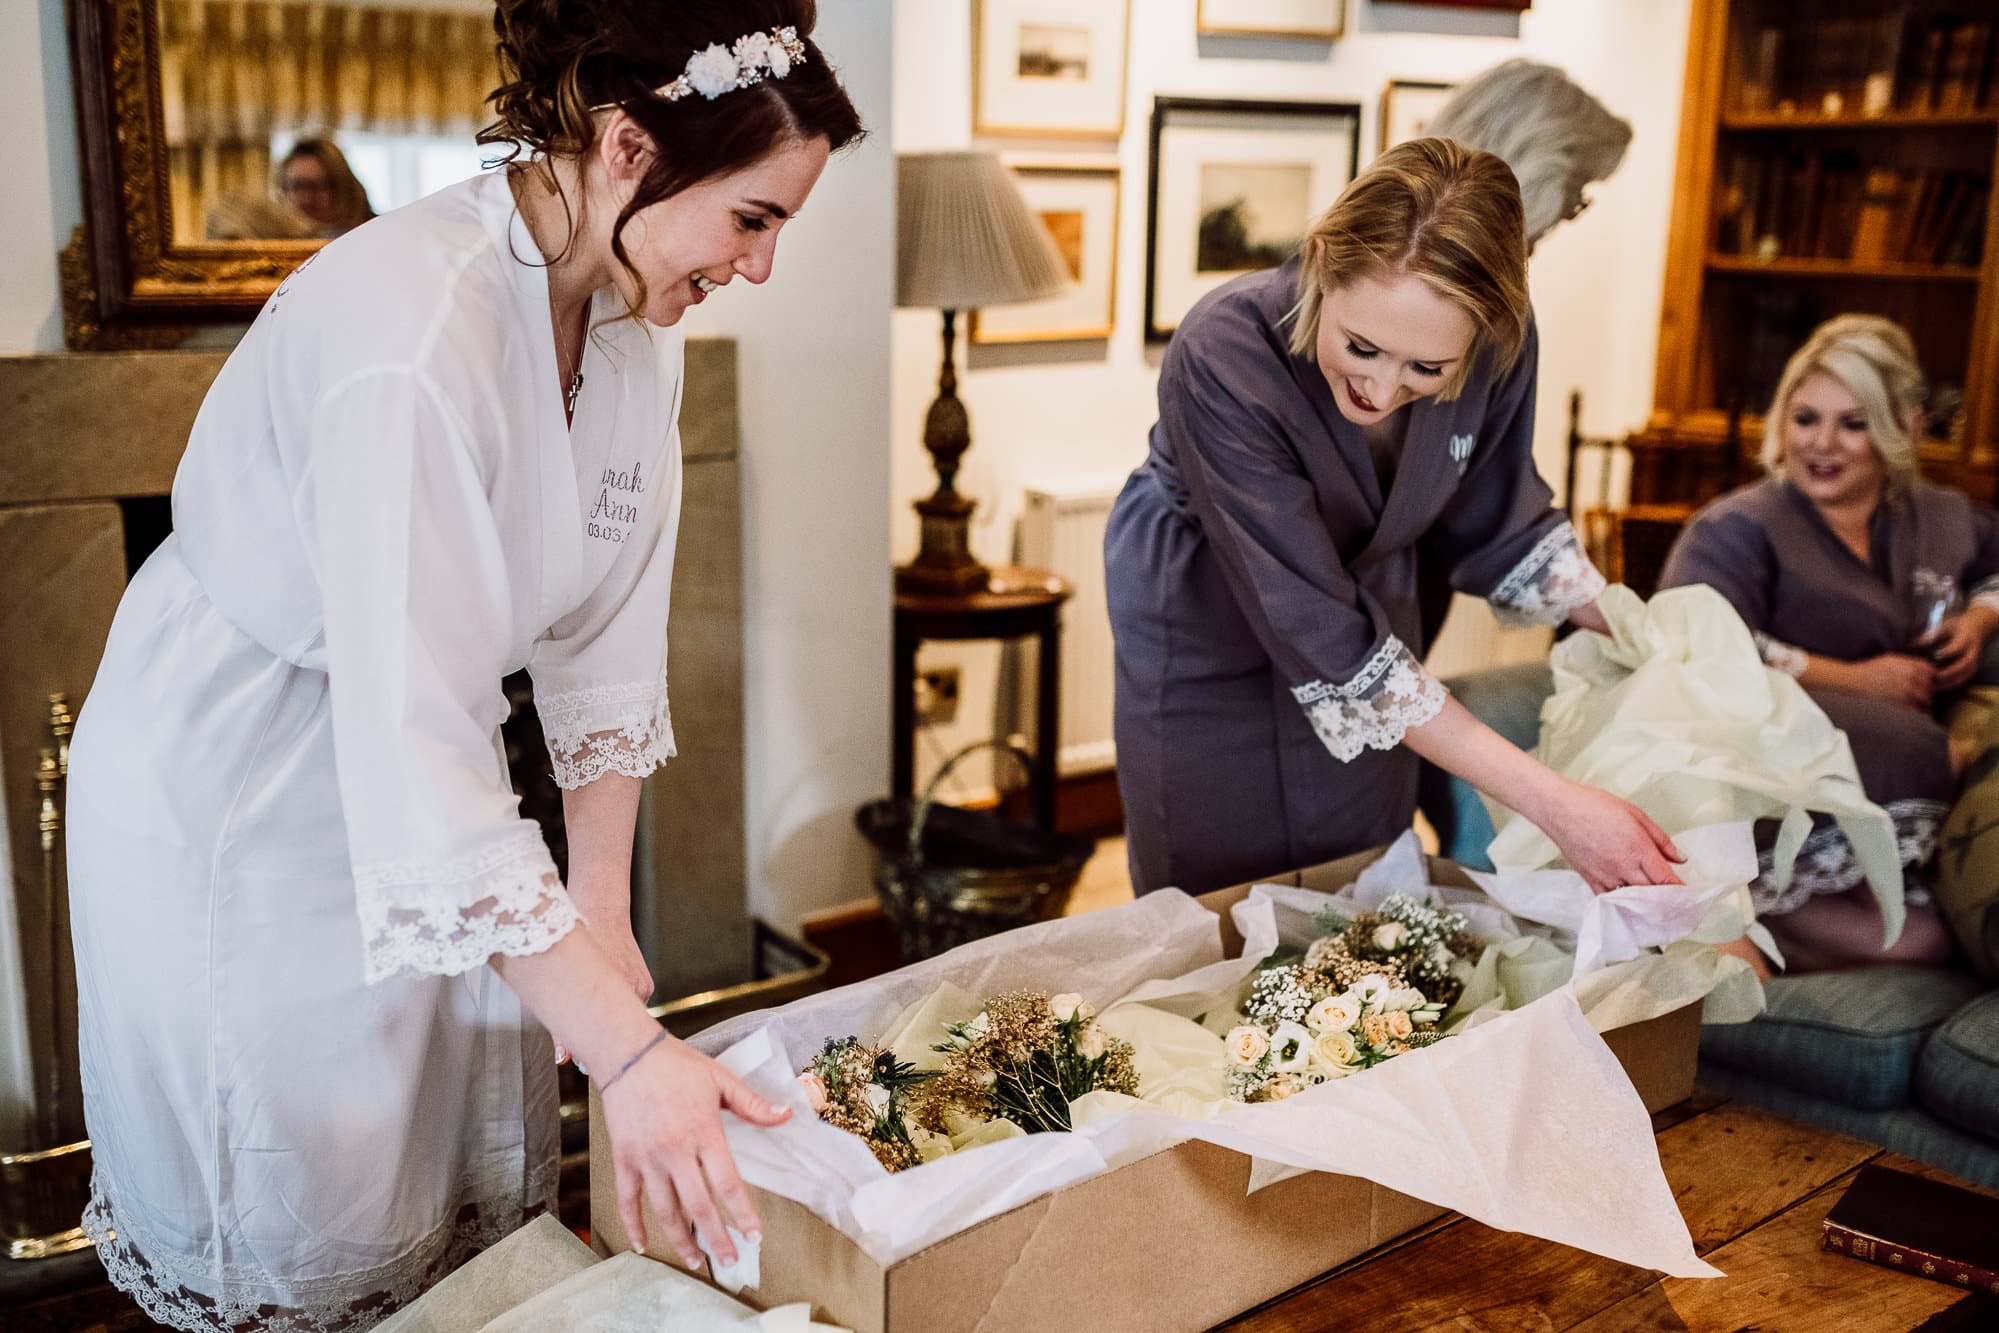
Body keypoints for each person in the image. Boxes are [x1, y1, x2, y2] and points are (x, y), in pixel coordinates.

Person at [65, 3, 863, 1328]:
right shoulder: (413, 335)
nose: (761, 265)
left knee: (428, 1192)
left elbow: (605, 643)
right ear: (625, 147)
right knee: (293, 1201)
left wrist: (600, 913)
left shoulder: (628, 328)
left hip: (415, 758)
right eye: (753, 218)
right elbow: (421, 752)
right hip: (244, 779)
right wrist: (630, 1054)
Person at [1105, 138, 1681, 900]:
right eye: (1361, 346)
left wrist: (1652, 642)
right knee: (1216, 907)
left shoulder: (1501, 339)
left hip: (1378, 609)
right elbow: (1321, 629)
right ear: (1320, 260)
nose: (1379, 388)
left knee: (1364, 883)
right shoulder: (1224, 348)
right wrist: (1553, 804)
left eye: (1425, 370)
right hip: (1209, 634)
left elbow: (1497, 509)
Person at [1659, 314, 1991, 971]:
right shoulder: (1735, 528)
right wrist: (1848, 677)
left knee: (1941, 929)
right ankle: (1716, 902)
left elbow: (1991, 565)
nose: (1822, 444)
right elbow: (1691, 645)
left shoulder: (1938, 515)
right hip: (1766, 790)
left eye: (1852, 422)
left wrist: (1980, 617)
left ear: (1902, 428)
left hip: (1878, 806)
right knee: (1919, 939)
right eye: (1804, 417)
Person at [277, 136, 379, 237]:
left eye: (315, 187)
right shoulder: (284, 239)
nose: (306, 198)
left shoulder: (374, 232)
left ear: (342, 188)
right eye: (296, 186)